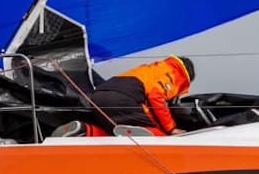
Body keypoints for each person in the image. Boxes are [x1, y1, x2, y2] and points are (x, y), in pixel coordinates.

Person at [62, 56, 195, 137]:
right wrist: (171, 128)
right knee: (159, 135)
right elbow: (156, 97)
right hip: (122, 98)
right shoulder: (175, 74)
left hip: (98, 96)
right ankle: (142, 138)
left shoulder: (153, 68)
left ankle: (84, 130)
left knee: (115, 132)